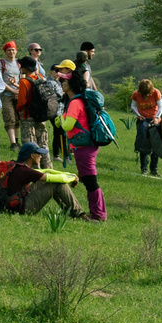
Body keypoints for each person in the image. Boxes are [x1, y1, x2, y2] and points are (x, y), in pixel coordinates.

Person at [54, 60, 108, 221]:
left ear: (71, 84)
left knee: (91, 180)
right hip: (84, 145)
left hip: (85, 147)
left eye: (64, 81)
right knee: (87, 178)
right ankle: (98, 213)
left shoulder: (75, 103)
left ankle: (98, 215)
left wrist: (60, 119)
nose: (62, 83)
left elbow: (68, 124)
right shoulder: (78, 100)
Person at [15, 56, 54, 160]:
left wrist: (17, 110)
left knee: (30, 145)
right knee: (43, 143)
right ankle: (47, 167)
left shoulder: (24, 82)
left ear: (24, 68)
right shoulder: (40, 77)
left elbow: (22, 102)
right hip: (41, 115)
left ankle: (34, 170)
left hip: (28, 116)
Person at [132, 77, 162, 177]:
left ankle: (154, 169)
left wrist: (157, 117)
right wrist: (138, 115)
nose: (146, 95)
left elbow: (161, 106)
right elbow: (133, 106)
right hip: (142, 120)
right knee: (143, 144)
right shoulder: (136, 94)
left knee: (155, 144)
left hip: (154, 120)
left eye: (147, 93)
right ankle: (144, 169)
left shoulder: (156, 93)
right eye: (144, 94)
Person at [0, 40, 25, 147]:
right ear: (5, 52)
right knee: (10, 117)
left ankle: (16, 141)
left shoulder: (18, 63)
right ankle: (13, 143)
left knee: (18, 118)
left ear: (16, 51)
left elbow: (22, 77)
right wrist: (12, 90)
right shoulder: (1, 63)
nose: (11, 52)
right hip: (6, 94)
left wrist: (19, 91)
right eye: (9, 50)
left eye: (13, 50)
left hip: (18, 94)